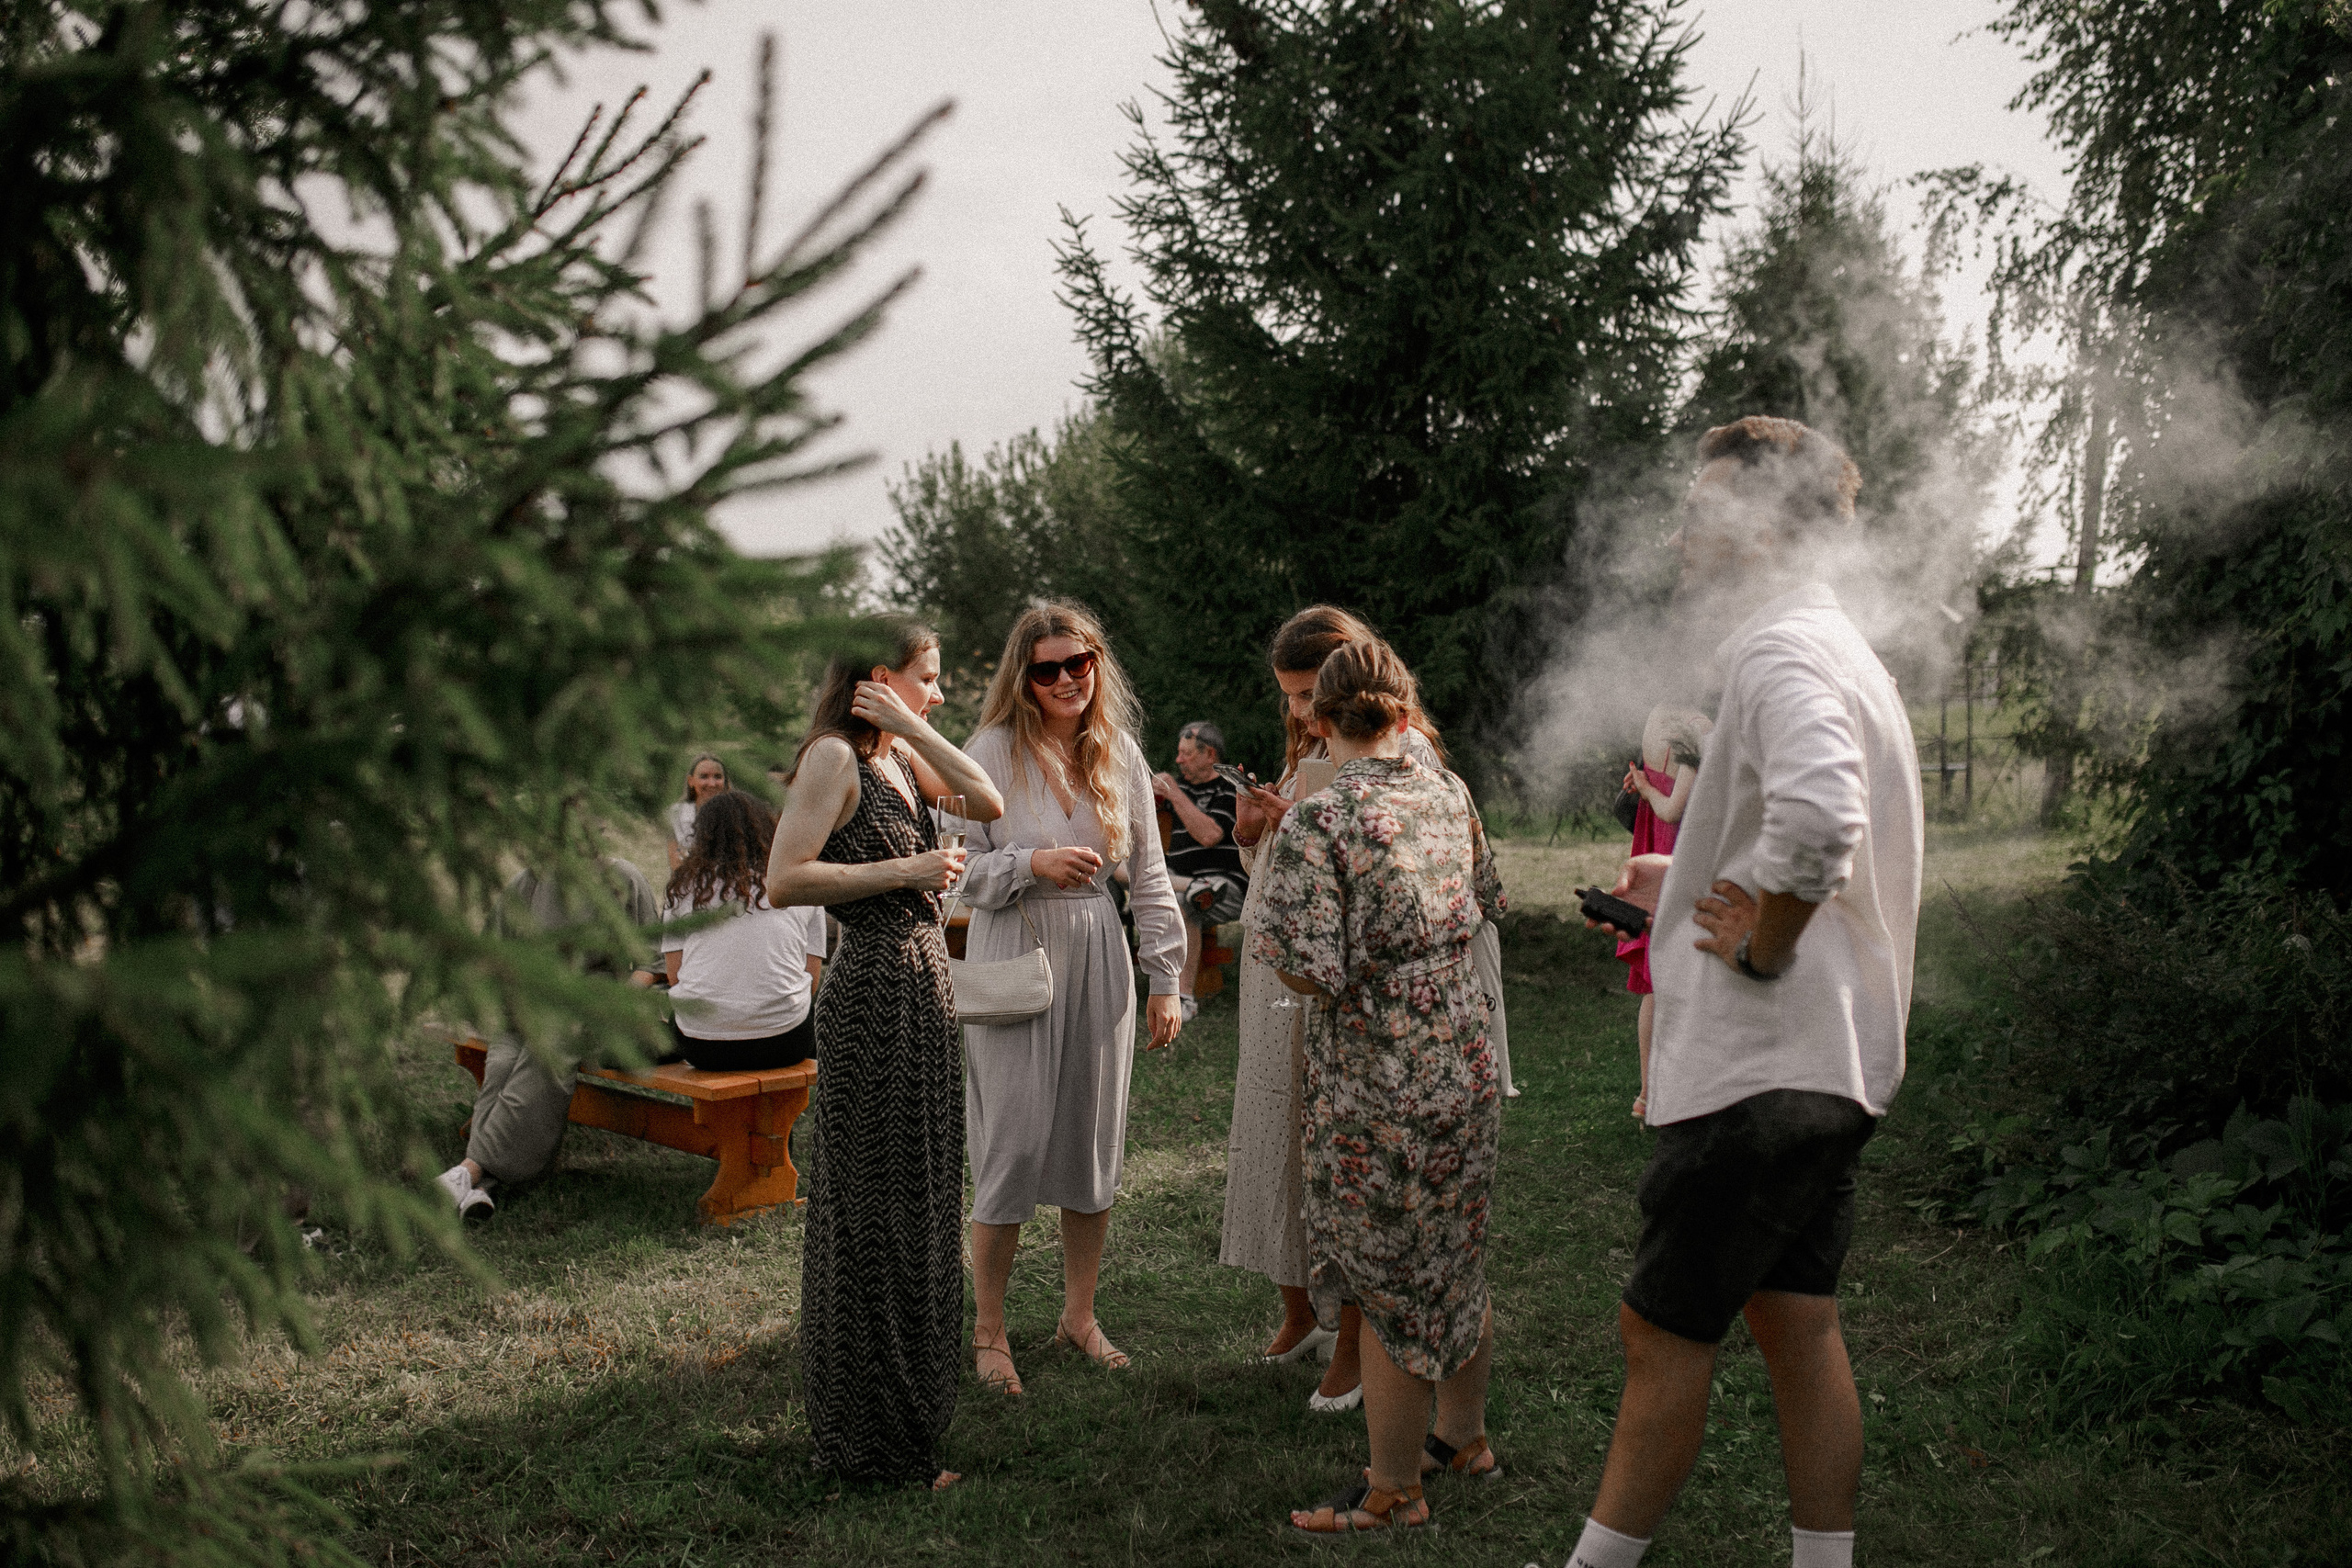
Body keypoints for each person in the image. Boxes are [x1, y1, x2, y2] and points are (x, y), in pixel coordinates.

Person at [1563, 417, 1922, 1568]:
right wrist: (1691, 878)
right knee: (1796, 1324)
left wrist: (1765, 943)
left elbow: (1822, 825)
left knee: (1658, 1330)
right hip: (1833, 1061)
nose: (1677, 530)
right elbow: (1798, 834)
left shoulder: (1777, 651)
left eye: (1701, 507)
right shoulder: (1837, 643)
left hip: (1765, 1069)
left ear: (1767, 523)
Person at [1221, 604, 1510, 1414]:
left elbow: (1310, 964)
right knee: (1452, 1246)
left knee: (1383, 1247)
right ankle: (1464, 1433)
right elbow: (1488, 893)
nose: (1297, 712)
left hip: (1375, 1049)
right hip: (1451, 1041)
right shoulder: (1442, 787)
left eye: (1307, 695)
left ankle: (1391, 1474)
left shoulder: (1339, 800)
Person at [763, 617, 1005, 1492]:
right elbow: (783, 878)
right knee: (872, 1216)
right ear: (878, 675)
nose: (941, 690)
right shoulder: (834, 758)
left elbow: (988, 800)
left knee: (919, 1205)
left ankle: (907, 1427)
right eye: (928, 677)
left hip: (922, 990)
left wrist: (911, 724)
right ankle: (869, 1445)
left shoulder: (900, 756)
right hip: (871, 994)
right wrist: (902, 874)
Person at [956, 601, 1185, 1395]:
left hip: (1098, 949)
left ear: (1096, 664)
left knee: (1093, 1140)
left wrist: (1167, 977)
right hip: (1014, 946)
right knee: (1010, 1141)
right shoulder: (986, 751)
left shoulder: (1117, 749)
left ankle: (1078, 1314)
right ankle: (989, 1329)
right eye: (1046, 668)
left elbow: (1150, 875)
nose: (1065, 680)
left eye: (1077, 663)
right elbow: (954, 870)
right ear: (1023, 676)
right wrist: (1030, 863)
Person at [436, 855, 662, 1221]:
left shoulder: (624, 878)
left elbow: (653, 963)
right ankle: (479, 1188)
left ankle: (468, 1170)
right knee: (501, 1064)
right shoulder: (526, 883)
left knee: (548, 1054)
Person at [662, 789, 827, 1072]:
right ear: (767, 829)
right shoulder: (799, 885)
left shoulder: (683, 888)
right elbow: (812, 980)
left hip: (701, 1045)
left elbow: (674, 975)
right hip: (786, 1042)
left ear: (702, 835)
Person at [1620, 705, 1710, 1118]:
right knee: (1693, 978)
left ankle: (1647, 1094)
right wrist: (1653, 792)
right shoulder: (1696, 726)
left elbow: (1651, 783)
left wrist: (1641, 783)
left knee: (1658, 985)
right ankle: (1689, 1092)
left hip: (1654, 846)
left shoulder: (1655, 715)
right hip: (1681, 854)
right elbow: (1674, 809)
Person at [1151, 718, 1248, 1021]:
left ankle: (1185, 999)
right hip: (1184, 880)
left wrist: (1175, 795)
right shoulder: (1176, 793)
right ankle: (1185, 886)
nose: (1178, 760)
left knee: (1185, 904)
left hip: (1225, 884)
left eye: (1187, 754)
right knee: (1120, 868)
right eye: (1178, 753)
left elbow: (1210, 836)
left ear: (1211, 755)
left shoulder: (1229, 789)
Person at [667, 752, 729, 871]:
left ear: (725, 782)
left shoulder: (736, 815)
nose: (712, 784)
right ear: (691, 781)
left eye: (717, 777)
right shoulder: (676, 814)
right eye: (704, 777)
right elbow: (676, 864)